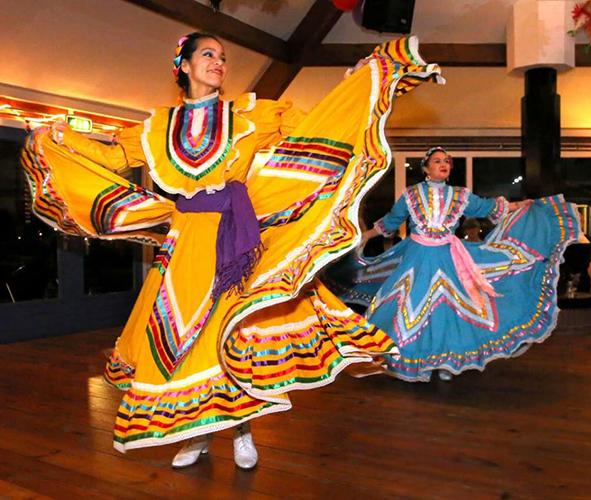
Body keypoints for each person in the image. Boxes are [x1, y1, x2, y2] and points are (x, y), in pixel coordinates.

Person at [21, 34, 447, 468]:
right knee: (185, 342)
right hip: (186, 242)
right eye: (208, 55)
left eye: (223, 58)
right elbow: (107, 155)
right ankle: (196, 435)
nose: (219, 63)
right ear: (183, 66)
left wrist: (357, 83)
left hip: (238, 240)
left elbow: (317, 124)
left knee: (231, 332)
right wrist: (59, 136)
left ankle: (243, 430)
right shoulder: (155, 127)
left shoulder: (252, 114)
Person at [323, 147, 583, 382]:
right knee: (409, 309)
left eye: (446, 161)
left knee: (451, 309)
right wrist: (363, 236)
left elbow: (488, 207)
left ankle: (447, 362)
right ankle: (407, 359)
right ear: (425, 168)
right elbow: (391, 221)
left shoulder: (460, 195)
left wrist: (519, 205)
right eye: (437, 161)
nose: (443, 164)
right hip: (416, 259)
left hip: (449, 258)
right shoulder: (412, 195)